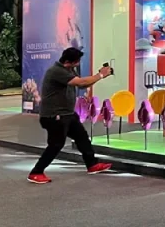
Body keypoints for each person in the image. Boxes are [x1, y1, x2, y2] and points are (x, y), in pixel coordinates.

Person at [28, 48, 113, 184]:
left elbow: (82, 84)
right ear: (69, 61)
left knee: (82, 137)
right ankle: (36, 172)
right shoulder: (56, 71)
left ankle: (92, 164)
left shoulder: (69, 70)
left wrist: (99, 76)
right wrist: (100, 75)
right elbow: (81, 83)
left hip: (67, 114)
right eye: (77, 61)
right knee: (56, 144)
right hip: (54, 116)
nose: (78, 64)